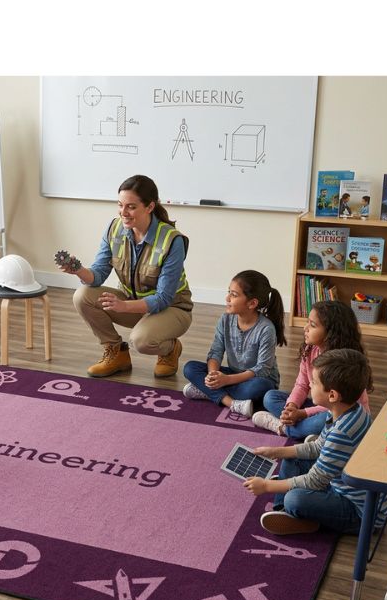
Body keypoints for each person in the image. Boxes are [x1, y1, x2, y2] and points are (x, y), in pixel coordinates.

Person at [243, 349, 387, 535]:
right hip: (342, 486)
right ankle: (284, 511)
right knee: (292, 455)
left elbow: (314, 481)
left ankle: (295, 511)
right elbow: (318, 447)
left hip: (362, 515)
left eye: (314, 382)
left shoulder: (342, 431)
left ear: (332, 395)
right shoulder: (347, 410)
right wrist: (275, 451)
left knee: (295, 499)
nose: (310, 384)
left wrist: (266, 487)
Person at [58, 174, 192, 378]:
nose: (123, 212)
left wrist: (124, 306)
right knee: (82, 295)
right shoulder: (114, 228)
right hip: (134, 304)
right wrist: (79, 270)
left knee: (141, 341)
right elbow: (99, 274)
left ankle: (170, 348)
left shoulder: (173, 240)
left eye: (131, 206)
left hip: (172, 309)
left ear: (149, 207)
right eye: (120, 205)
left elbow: (163, 298)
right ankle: (116, 352)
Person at [252, 300, 371, 438]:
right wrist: (292, 406)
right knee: (270, 397)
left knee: (323, 420)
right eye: (307, 322)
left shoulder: (342, 363)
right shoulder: (310, 350)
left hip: (342, 413)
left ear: (332, 333)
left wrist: (303, 413)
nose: (305, 328)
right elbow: (301, 384)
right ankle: (302, 427)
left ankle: (282, 427)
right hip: (320, 403)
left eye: (312, 325)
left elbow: (337, 404)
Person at [181, 270, 285, 418]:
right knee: (190, 368)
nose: (227, 298)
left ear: (252, 303)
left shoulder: (266, 329)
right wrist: (212, 376)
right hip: (233, 376)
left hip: (258, 380)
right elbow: (216, 351)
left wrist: (226, 380)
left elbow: (262, 369)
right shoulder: (225, 319)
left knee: (259, 388)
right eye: (228, 292)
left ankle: (207, 392)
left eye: (234, 295)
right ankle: (231, 402)